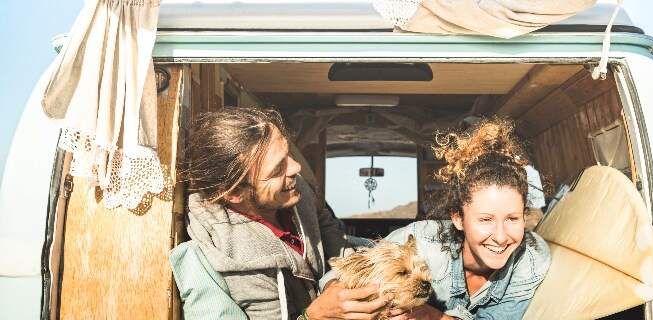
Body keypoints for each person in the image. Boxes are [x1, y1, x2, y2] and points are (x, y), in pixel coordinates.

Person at [169, 108, 389, 320]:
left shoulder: (294, 191)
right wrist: (312, 316)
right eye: (277, 170)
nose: (295, 168)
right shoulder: (207, 257)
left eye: (288, 155)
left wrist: (335, 281)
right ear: (235, 193)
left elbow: (323, 223)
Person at [384, 118, 551, 320]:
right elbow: (356, 270)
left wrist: (433, 317)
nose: (500, 237)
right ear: (458, 218)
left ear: (525, 216)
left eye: (512, 219)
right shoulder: (420, 242)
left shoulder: (531, 258)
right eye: (485, 219)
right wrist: (333, 292)